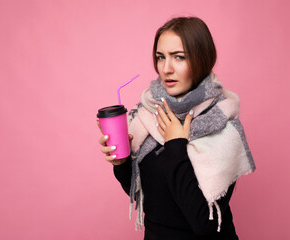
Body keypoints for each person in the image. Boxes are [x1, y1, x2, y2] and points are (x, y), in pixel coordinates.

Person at [97, 17, 256, 240]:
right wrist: (122, 165)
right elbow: (152, 202)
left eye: (179, 57)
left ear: (202, 59)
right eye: (160, 57)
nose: (166, 68)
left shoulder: (223, 126)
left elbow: (204, 223)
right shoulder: (148, 116)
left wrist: (175, 145)